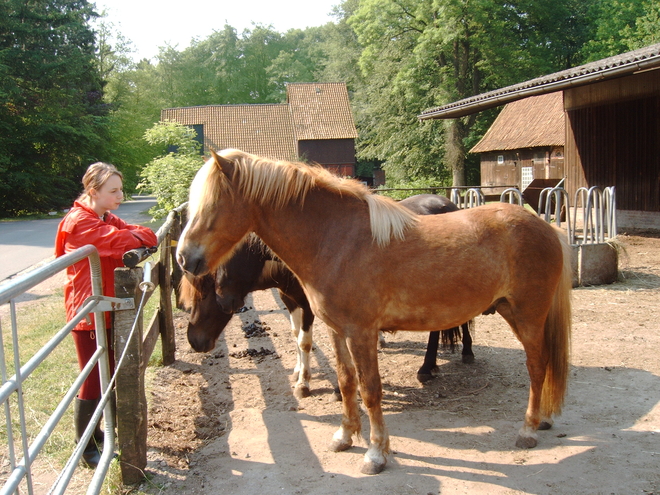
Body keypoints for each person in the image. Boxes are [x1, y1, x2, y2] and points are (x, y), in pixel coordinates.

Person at [54, 162, 157, 468]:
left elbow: (146, 234)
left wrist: (137, 236)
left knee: (109, 374)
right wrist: (137, 238)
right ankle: (85, 446)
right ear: (93, 191)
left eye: (121, 189)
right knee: (93, 378)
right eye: (113, 191)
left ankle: (102, 436)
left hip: (107, 306)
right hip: (89, 311)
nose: (120, 196)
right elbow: (119, 240)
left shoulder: (104, 217)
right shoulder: (80, 223)